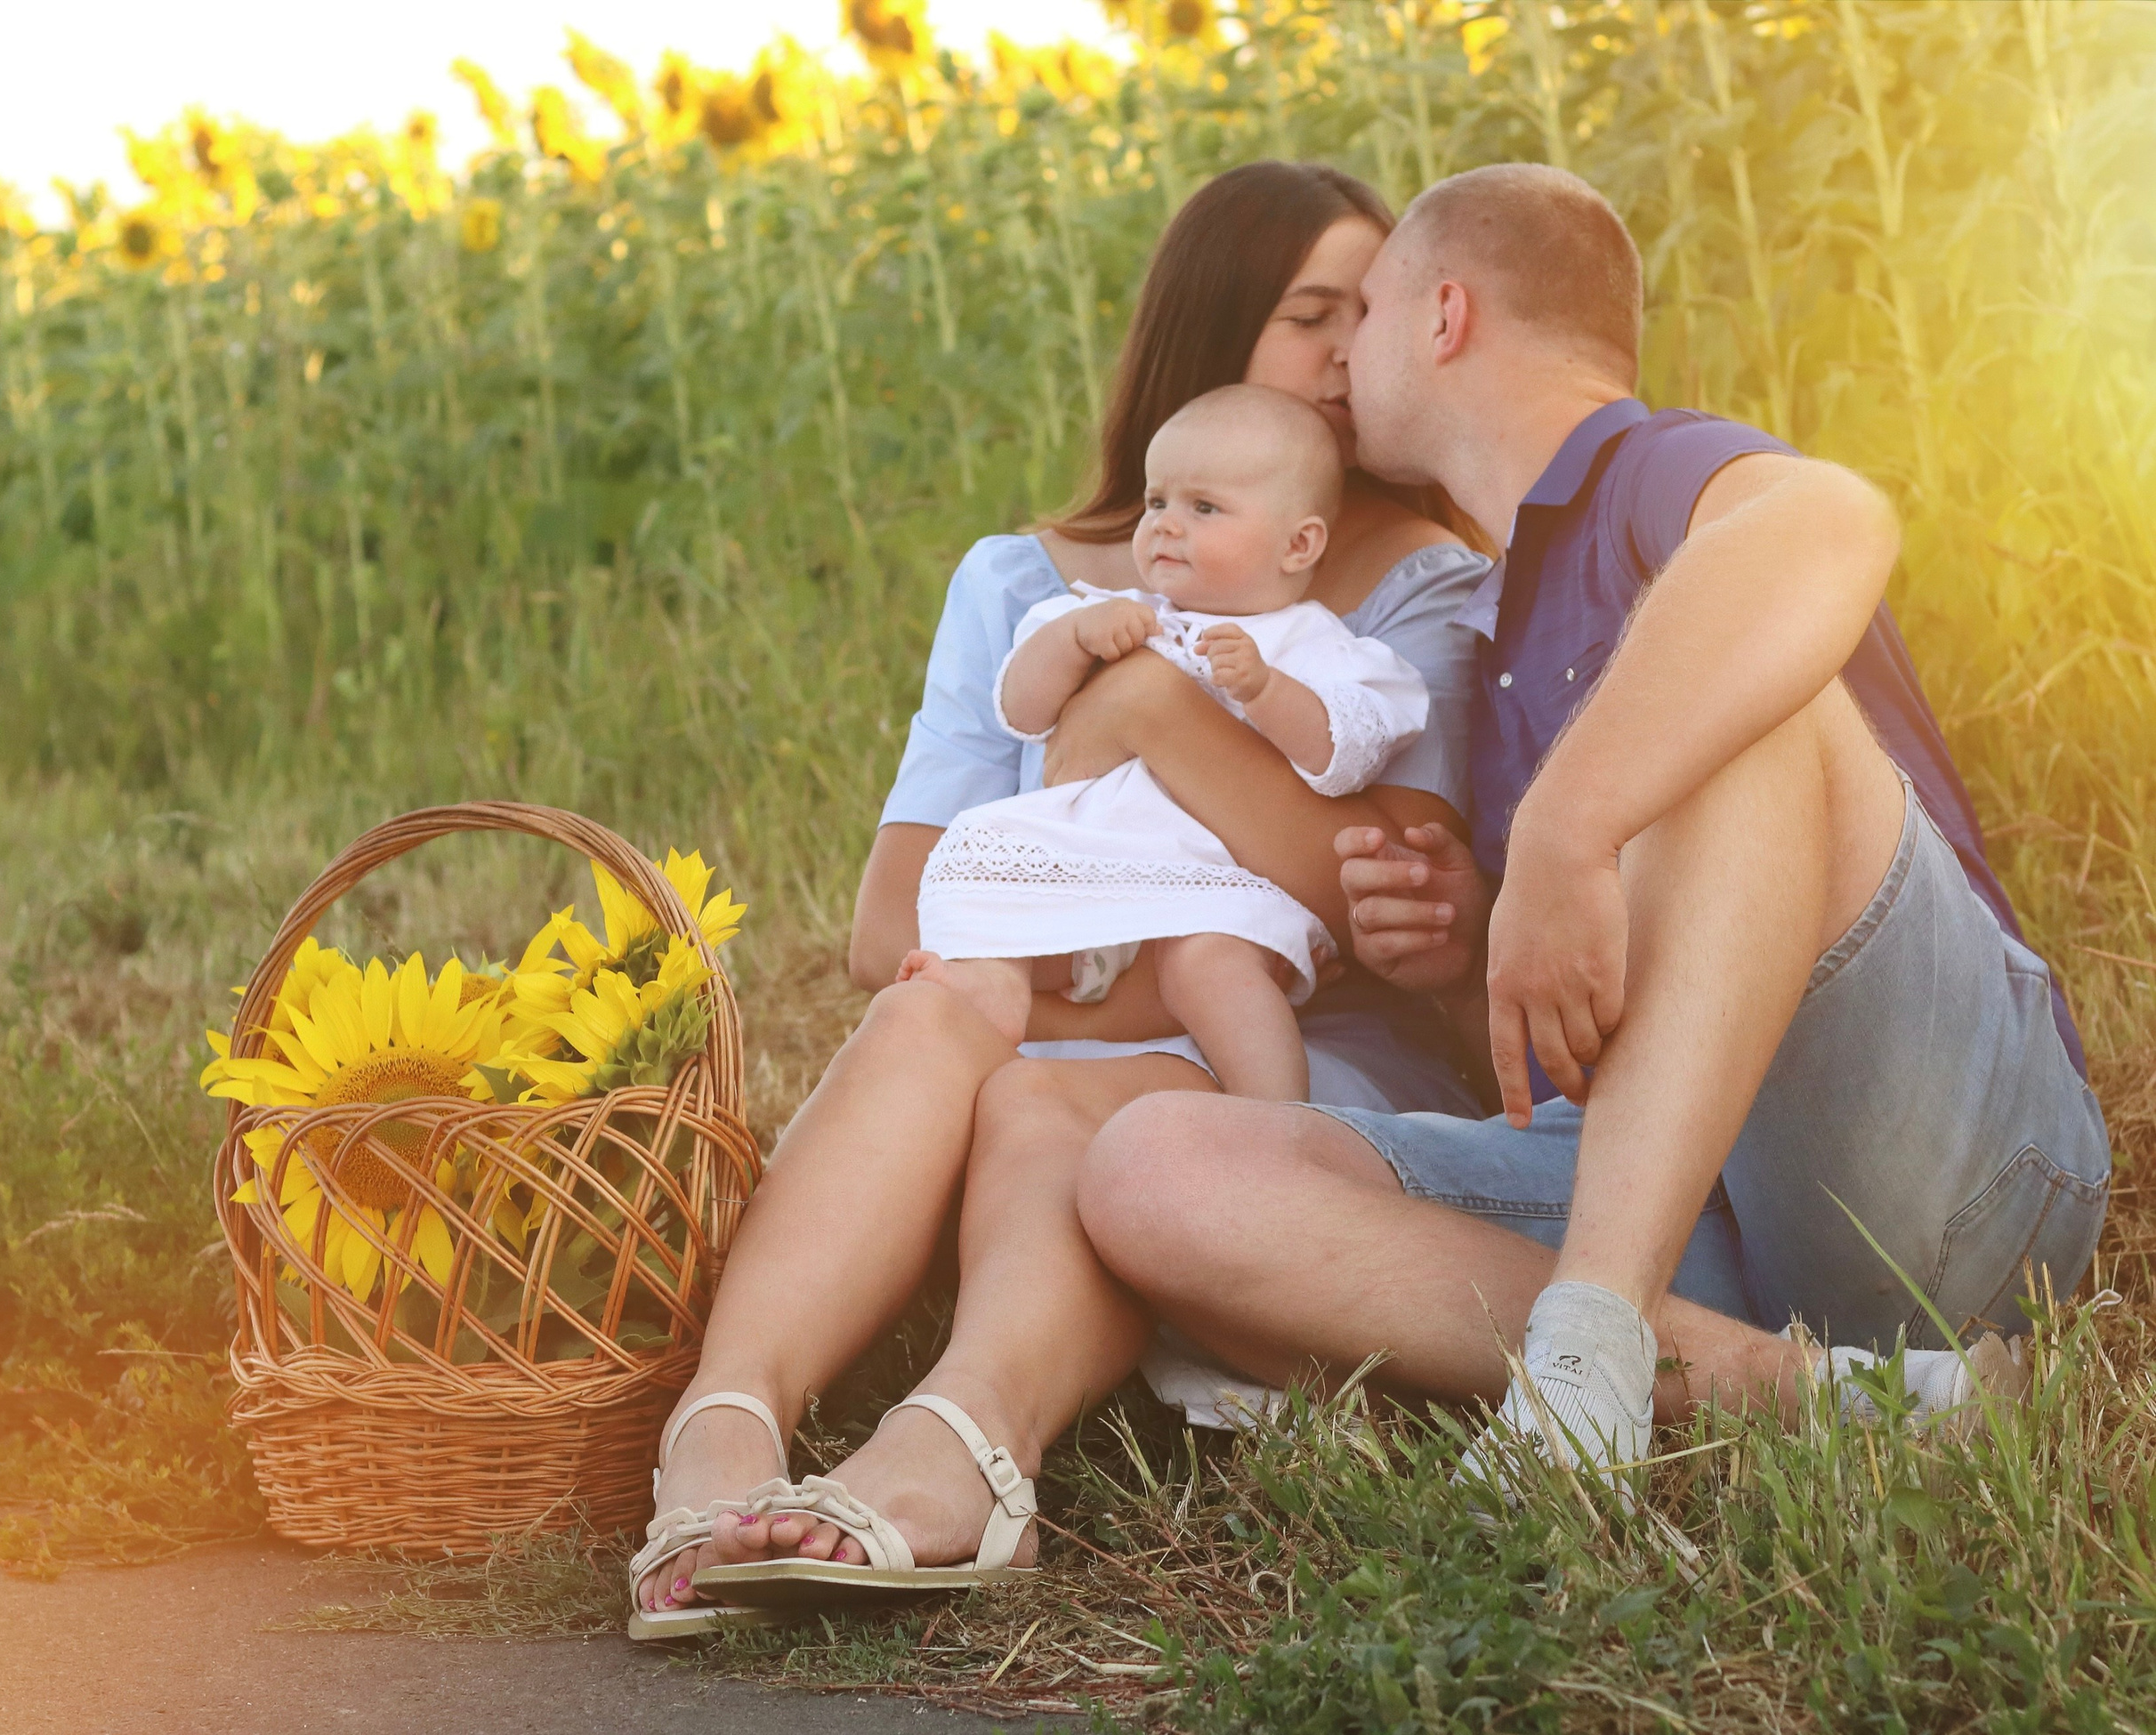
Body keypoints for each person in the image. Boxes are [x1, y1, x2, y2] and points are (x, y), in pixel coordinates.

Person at [1078, 164, 2110, 1487]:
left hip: (1942, 1163)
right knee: (1151, 1170)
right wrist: (1458, 956)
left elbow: (1832, 518)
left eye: (1369, 313)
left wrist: (1567, 824)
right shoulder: (1499, 615)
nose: (1340, 362)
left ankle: (1588, 1348)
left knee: (1742, 718)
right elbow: (1621, 1030)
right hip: (1719, 1214)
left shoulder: (1645, 468)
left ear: (1444, 315)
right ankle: (1807, 1394)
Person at [627, 162, 1498, 1630]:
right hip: (1034, 981)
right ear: (1217, 334)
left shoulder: (1420, 589)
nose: (1356, 352)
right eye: (1310, 317)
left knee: (1054, 1085)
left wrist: (1151, 716)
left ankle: (961, 1442)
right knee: (931, 1010)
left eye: (1377, 311)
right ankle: (721, 1428)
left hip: (1279, 1038)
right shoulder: (1026, 584)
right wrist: (1082, 933)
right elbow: (888, 922)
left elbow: (1389, 924)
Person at [904, 384, 1434, 1102]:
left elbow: (1344, 756)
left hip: (1222, 886)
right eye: (1156, 503)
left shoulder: (1319, 648)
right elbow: (1020, 709)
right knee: (995, 927)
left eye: (1203, 508)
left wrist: (1267, 692)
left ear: (1299, 543)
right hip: (1093, 863)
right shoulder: (1104, 610)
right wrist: (1072, 641)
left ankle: (1273, 1115)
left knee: (1208, 969)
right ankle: (983, 1020)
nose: (1165, 527)